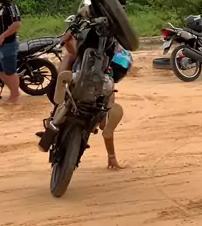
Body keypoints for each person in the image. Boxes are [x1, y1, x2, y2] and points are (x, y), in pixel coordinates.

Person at [37, 12, 132, 169]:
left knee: (69, 62)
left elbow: (106, 127)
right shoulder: (102, 61)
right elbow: (106, 129)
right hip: (75, 89)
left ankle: (56, 115)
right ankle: (56, 114)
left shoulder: (95, 62)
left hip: (78, 92)